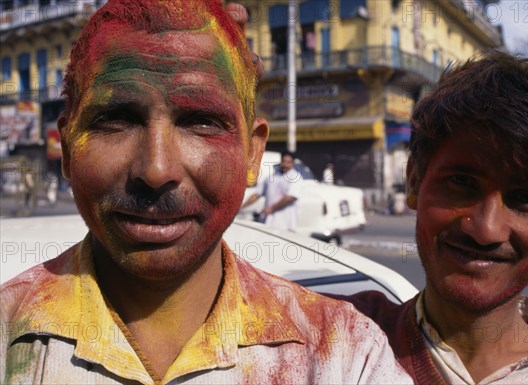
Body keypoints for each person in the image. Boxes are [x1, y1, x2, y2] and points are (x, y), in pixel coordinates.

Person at [0, 1, 412, 384]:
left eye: (200, 122)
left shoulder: (345, 356)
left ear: (253, 154)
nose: (156, 170)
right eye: (116, 119)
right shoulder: (7, 331)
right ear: (69, 149)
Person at [333, 50, 528, 384]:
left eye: (525, 199)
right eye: (462, 183)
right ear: (414, 181)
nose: (486, 231)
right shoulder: (331, 338)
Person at [241, 150, 302, 232]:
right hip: (269, 221)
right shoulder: (271, 177)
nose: (286, 165)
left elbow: (291, 197)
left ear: (293, 163)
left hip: (286, 223)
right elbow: (257, 194)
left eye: (289, 162)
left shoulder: (295, 177)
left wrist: (271, 209)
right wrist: (242, 207)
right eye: (284, 161)